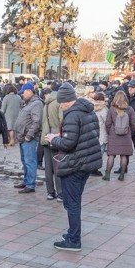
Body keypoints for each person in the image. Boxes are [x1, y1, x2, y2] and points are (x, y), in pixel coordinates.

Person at [46, 82, 101, 251]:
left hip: (75, 164)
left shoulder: (72, 115)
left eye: (61, 103)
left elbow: (69, 143)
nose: (60, 106)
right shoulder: (88, 112)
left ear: (67, 101)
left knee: (72, 203)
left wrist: (53, 139)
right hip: (86, 162)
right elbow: (91, 135)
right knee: (73, 201)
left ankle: (74, 239)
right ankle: (72, 233)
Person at [14, 83, 43, 194]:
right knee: (25, 161)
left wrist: (28, 136)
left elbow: (37, 122)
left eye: (24, 92)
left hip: (29, 138)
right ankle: (26, 181)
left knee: (30, 161)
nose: (22, 95)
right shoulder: (27, 103)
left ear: (30, 91)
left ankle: (30, 184)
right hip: (23, 137)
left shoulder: (36, 104)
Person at [103, 89, 135, 181]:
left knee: (111, 155)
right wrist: (130, 132)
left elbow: (108, 123)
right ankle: (122, 175)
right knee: (124, 156)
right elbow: (134, 123)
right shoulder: (129, 109)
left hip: (114, 135)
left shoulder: (112, 109)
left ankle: (107, 175)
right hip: (126, 135)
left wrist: (109, 132)